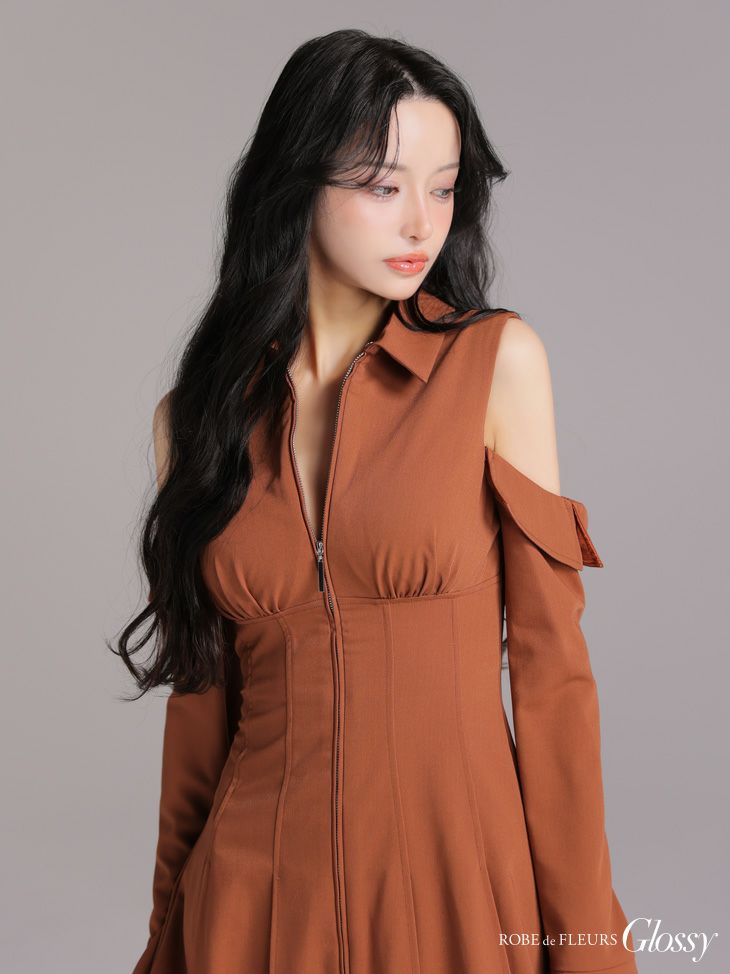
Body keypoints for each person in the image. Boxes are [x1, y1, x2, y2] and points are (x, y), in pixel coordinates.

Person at [114, 27, 638, 974]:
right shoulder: (195, 422)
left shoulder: (495, 366)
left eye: (444, 188)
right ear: (296, 184)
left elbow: (556, 685)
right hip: (249, 904)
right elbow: (198, 716)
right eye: (383, 186)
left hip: (459, 893)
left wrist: (592, 950)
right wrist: (164, 939)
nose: (421, 225)